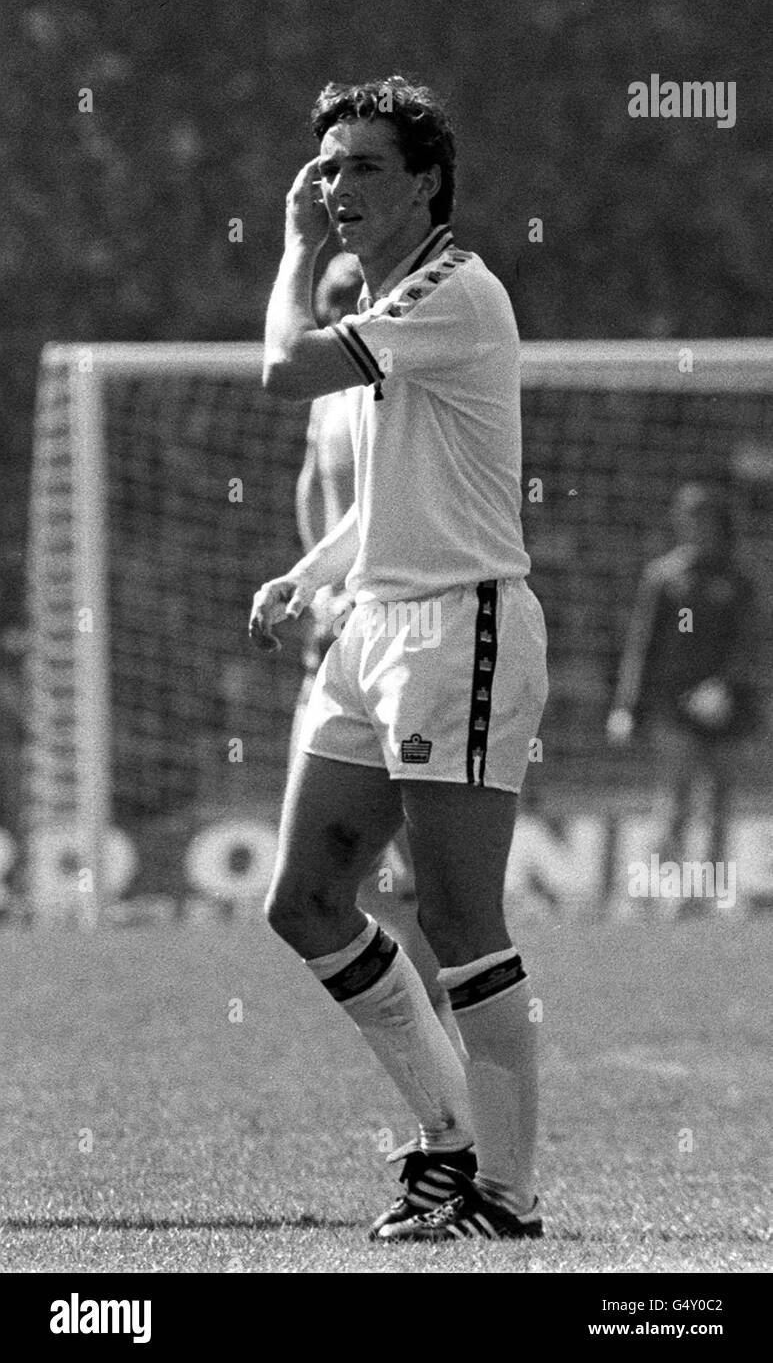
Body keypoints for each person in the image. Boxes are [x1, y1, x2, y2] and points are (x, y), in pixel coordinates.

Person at [250, 76, 548, 1242]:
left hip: (456, 627)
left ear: (425, 183)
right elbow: (389, 492)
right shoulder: (396, 305)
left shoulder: (451, 287)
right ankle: (448, 1139)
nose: (335, 188)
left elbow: (282, 369)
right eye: (326, 169)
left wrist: (280, 255)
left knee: (460, 919)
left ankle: (506, 1200)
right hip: (373, 626)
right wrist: (311, 576)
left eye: (363, 166)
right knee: (306, 899)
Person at [291, 252, 463, 1052]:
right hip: (335, 640)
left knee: (404, 860)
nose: (336, 311)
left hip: (396, 638)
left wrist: (352, 593)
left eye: (348, 297)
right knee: (326, 876)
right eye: (327, 298)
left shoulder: (392, 389)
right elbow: (312, 495)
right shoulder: (326, 404)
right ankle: (428, 1020)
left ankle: (451, 1019)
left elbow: (386, 509)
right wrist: (308, 587)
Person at [607, 482, 759, 915]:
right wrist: (625, 706)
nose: (693, 527)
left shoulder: (738, 580)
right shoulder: (664, 577)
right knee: (673, 802)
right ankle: (658, 894)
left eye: (702, 519)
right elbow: (643, 645)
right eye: (687, 518)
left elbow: (751, 643)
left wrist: (725, 686)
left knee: (717, 807)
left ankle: (702, 898)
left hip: (728, 710)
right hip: (674, 708)